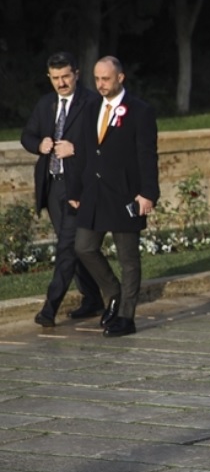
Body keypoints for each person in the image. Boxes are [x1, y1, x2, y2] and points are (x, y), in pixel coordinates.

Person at [67, 56, 159, 337]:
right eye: (96, 79)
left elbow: (147, 155)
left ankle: (126, 316)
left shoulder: (140, 111)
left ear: (121, 78)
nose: (101, 84)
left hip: (125, 194)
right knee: (83, 247)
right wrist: (75, 189)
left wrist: (148, 193)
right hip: (94, 193)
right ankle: (113, 292)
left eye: (106, 78)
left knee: (128, 259)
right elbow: (82, 150)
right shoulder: (90, 106)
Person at [21, 52, 102, 326]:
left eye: (66, 76)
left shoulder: (92, 103)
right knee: (76, 247)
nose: (61, 82)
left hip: (79, 187)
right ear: (49, 78)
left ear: (76, 74)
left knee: (68, 247)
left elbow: (105, 144)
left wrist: (76, 149)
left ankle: (49, 308)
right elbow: (27, 135)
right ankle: (93, 299)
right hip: (53, 185)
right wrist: (39, 145)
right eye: (56, 78)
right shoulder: (45, 104)